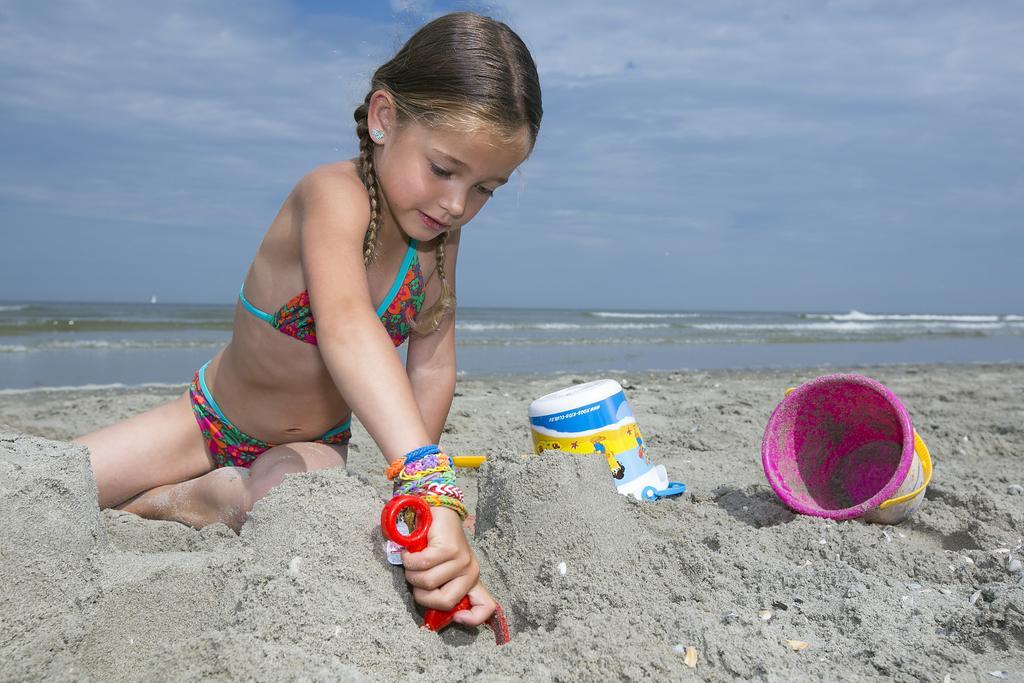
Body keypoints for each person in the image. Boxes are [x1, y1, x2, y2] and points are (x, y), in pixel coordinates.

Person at [75, 11, 542, 629]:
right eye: (444, 169)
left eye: (486, 188)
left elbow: (431, 360)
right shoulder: (331, 196)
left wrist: (409, 485)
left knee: (288, 505)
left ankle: (187, 503)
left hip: (313, 447)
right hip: (208, 420)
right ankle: (186, 488)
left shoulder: (438, 239)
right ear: (384, 118)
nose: (458, 204)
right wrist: (430, 481)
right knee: (52, 481)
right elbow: (349, 327)